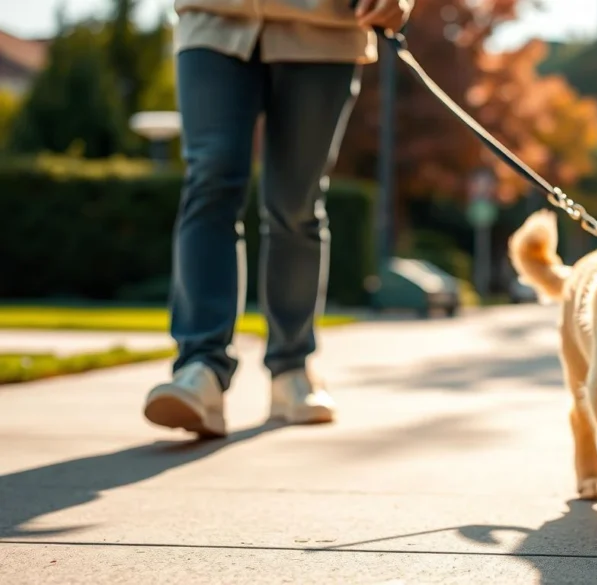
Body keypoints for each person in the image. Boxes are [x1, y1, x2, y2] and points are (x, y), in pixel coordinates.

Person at [143, 0, 415, 438]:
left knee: (296, 202)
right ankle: (200, 367)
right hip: (211, 20)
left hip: (323, 28)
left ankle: (292, 368)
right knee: (209, 182)